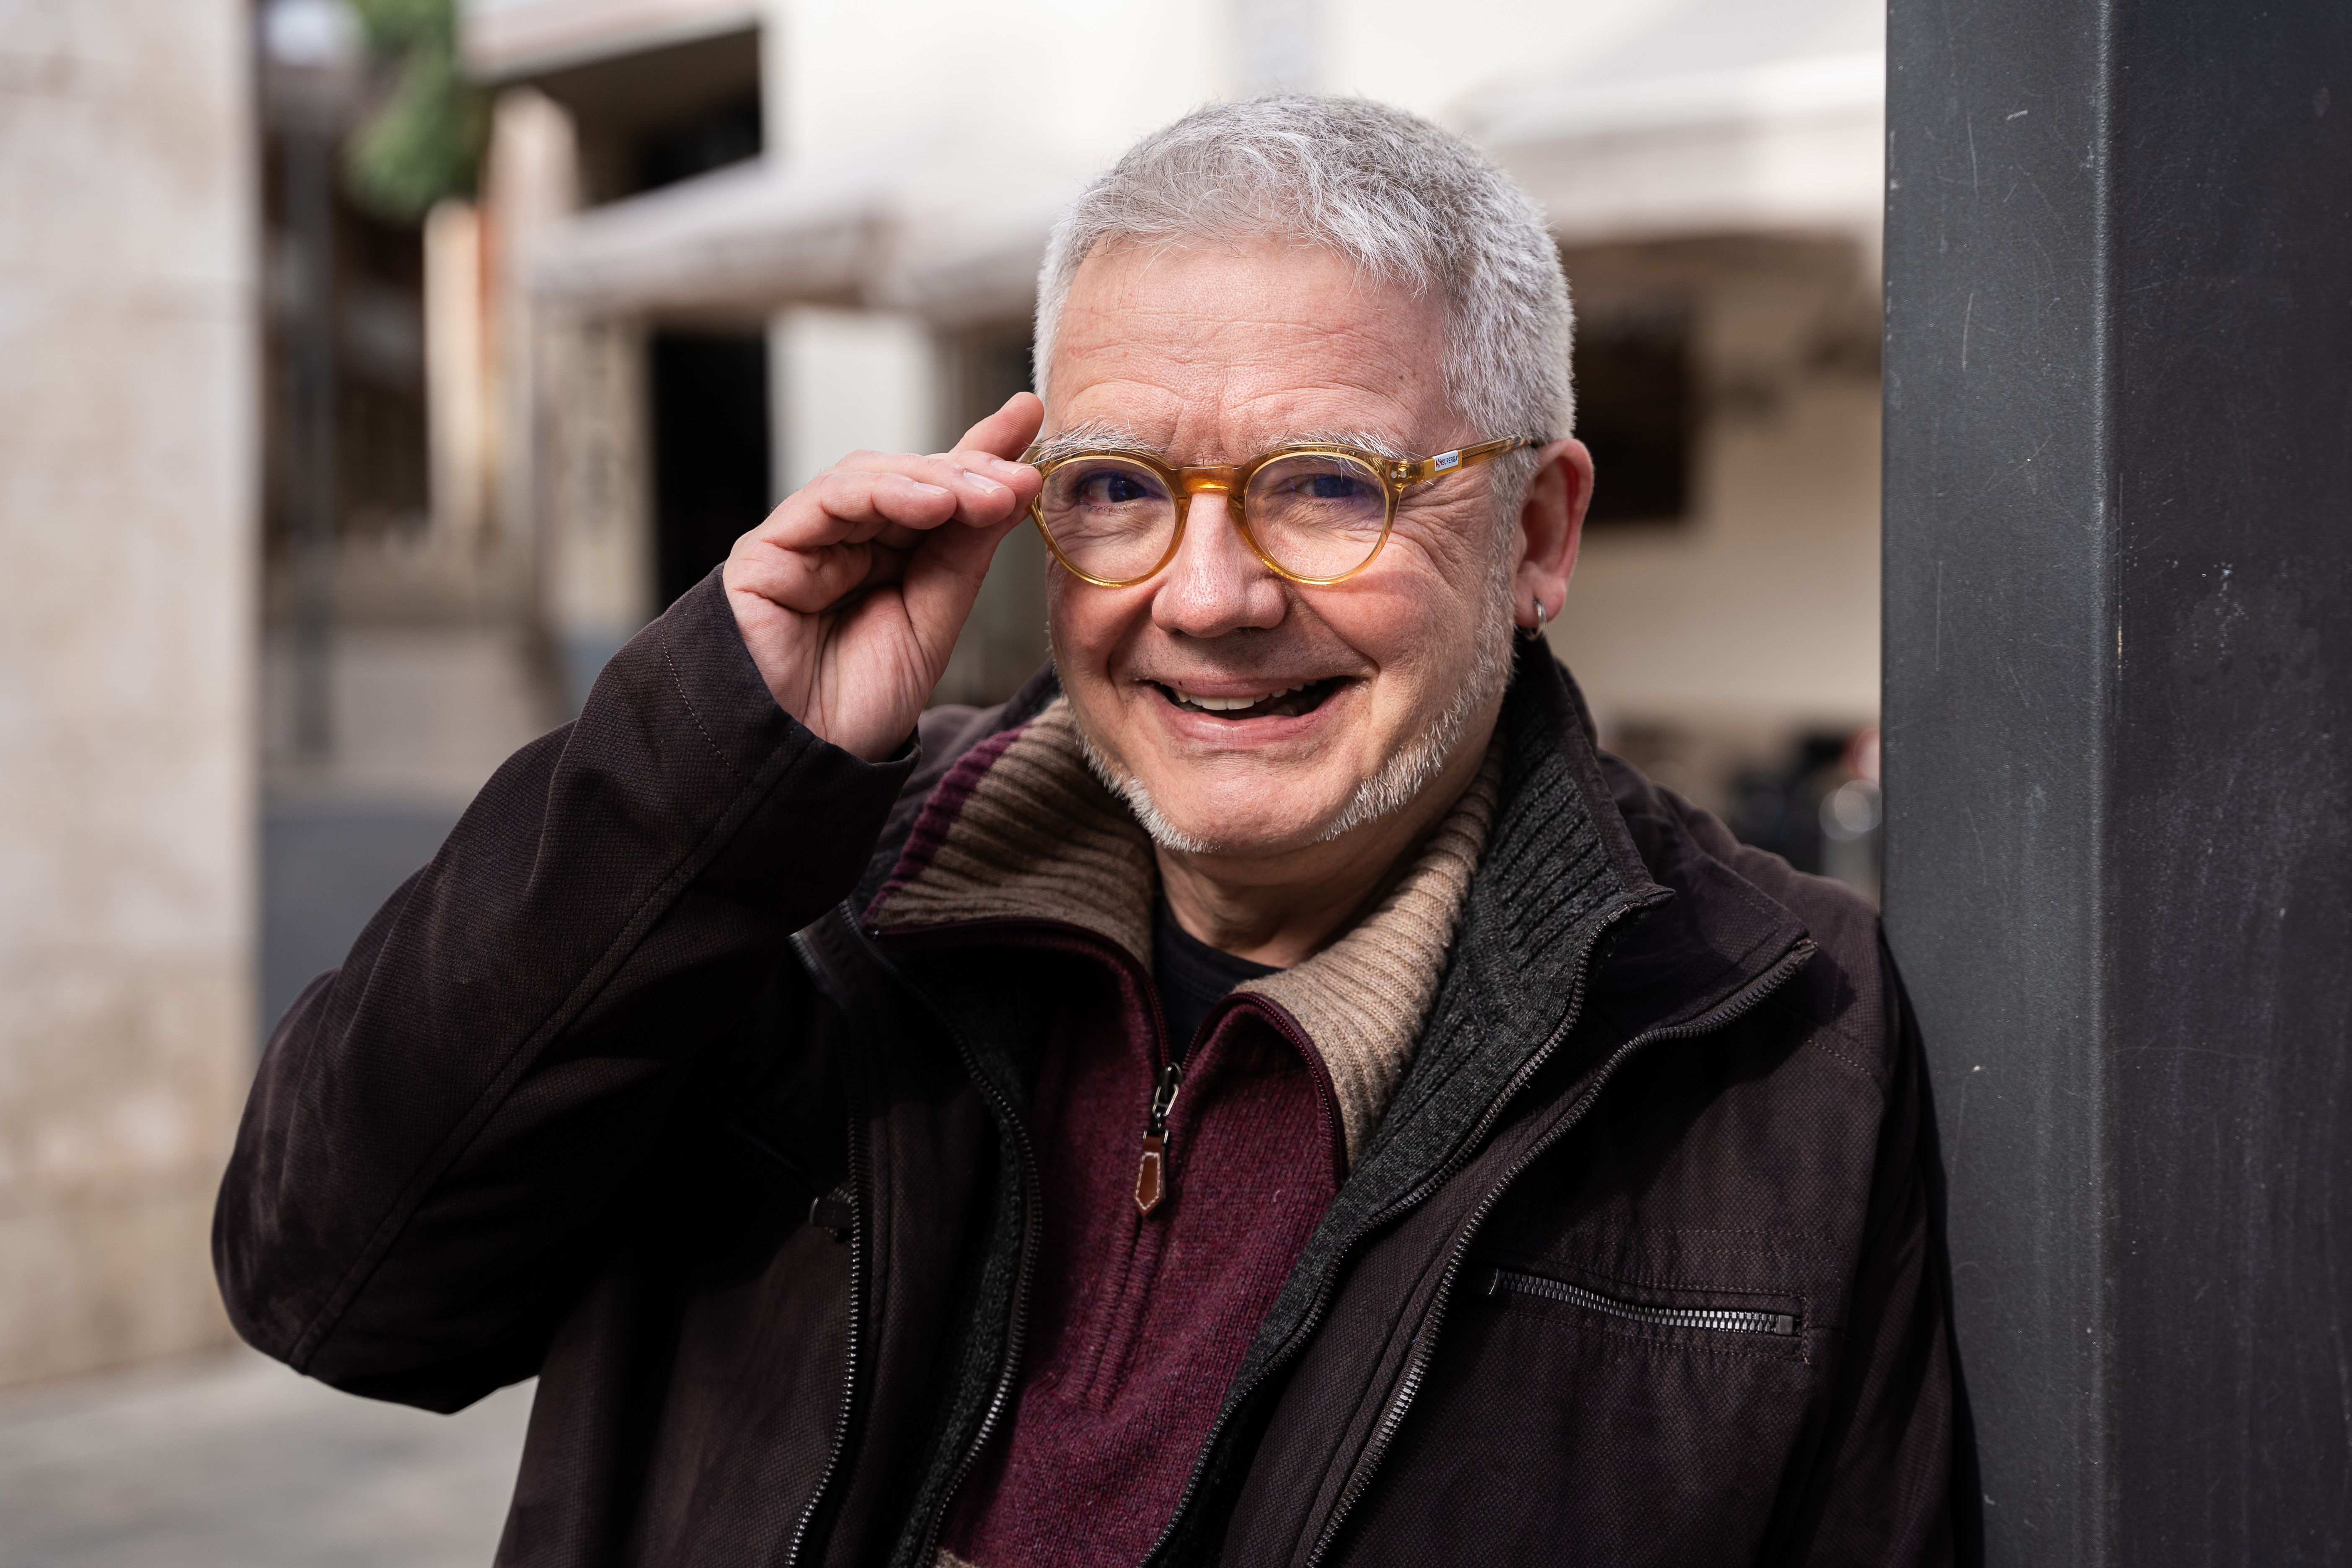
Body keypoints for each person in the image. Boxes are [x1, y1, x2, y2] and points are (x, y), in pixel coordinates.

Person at [215, 96, 1960, 1567]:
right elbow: (336, 1289)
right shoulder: (799, 897)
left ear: (1540, 532)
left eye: (1331, 486)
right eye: (1118, 490)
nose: (1206, 599)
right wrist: (708, 769)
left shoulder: (1767, 1028)